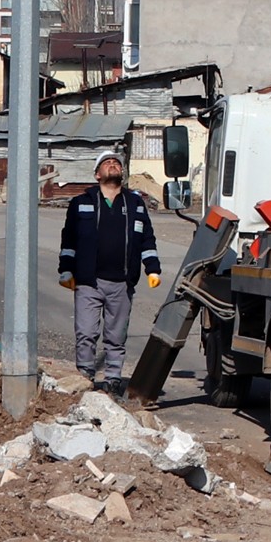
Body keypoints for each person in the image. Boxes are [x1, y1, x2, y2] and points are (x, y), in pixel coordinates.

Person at [58, 152, 161, 392]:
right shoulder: (81, 203)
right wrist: (65, 270)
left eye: (116, 163)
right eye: (107, 163)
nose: (113, 165)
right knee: (86, 332)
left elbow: (147, 239)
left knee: (116, 337)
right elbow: (69, 239)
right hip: (88, 282)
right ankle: (84, 376)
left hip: (122, 283)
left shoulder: (135, 204)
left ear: (122, 173)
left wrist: (152, 269)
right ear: (97, 174)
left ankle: (113, 379)